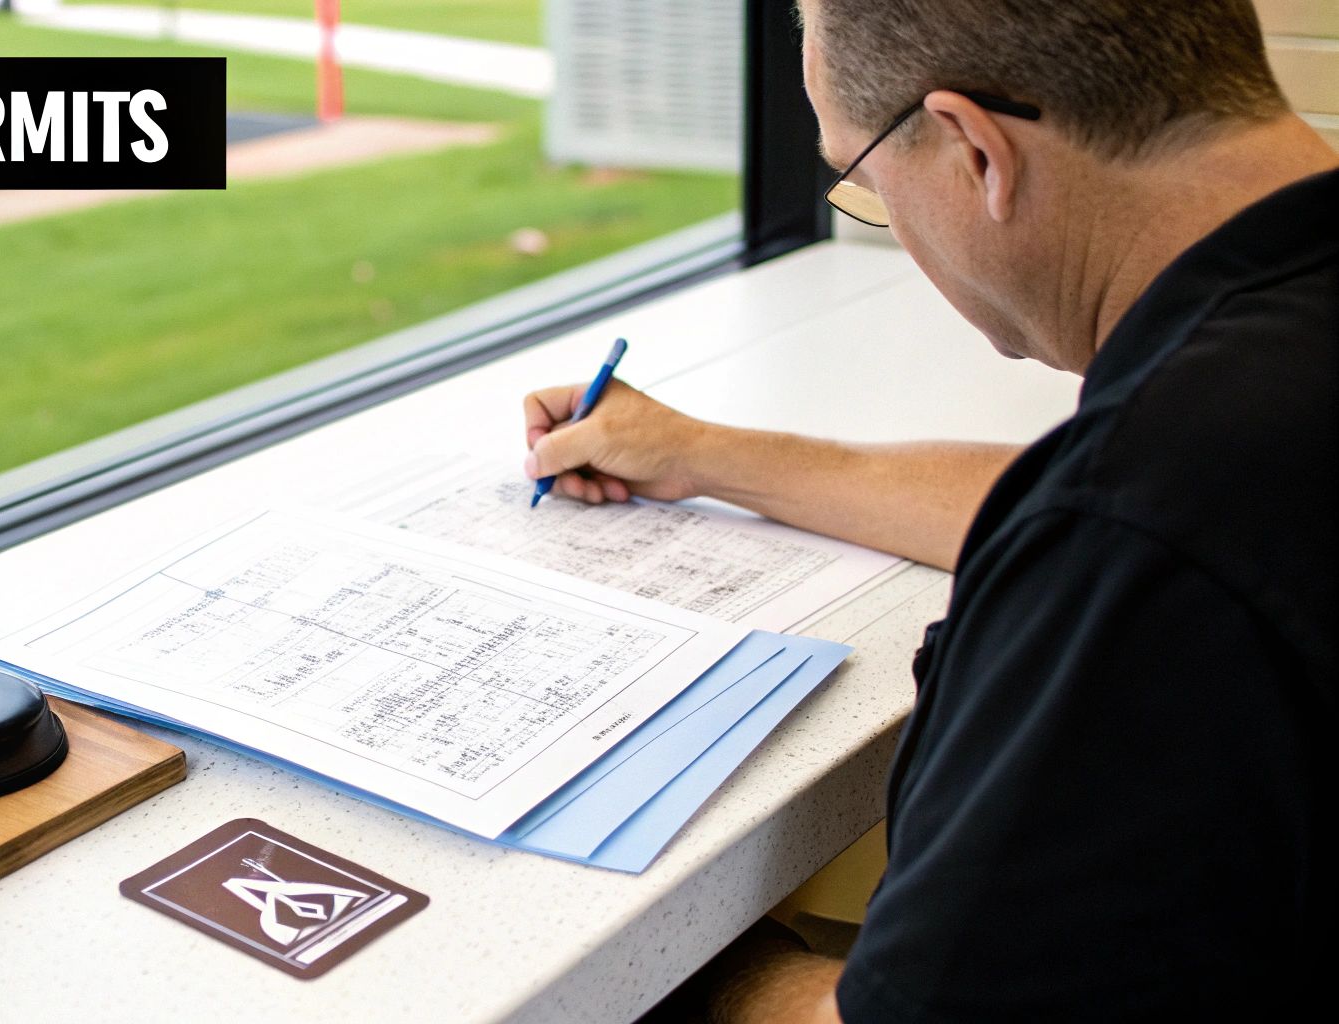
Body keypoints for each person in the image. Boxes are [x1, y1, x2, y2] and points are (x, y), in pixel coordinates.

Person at [520, 1, 1337, 1019]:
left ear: (972, 151)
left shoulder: (1147, 526)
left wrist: (675, 961)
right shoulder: (1262, 373)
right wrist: (701, 455)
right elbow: (1074, 500)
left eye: (864, 181)